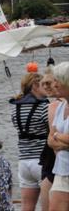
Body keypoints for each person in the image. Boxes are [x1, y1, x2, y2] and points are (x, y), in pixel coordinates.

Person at [9, 72, 49, 211]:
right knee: (48, 206)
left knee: (27, 206)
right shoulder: (45, 107)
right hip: (42, 162)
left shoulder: (16, 109)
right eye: (44, 84)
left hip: (24, 162)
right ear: (35, 86)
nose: (48, 87)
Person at [47, 62, 69, 210]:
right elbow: (50, 140)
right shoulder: (61, 106)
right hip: (62, 170)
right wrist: (62, 139)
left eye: (57, 80)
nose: (54, 85)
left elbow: (55, 136)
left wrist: (57, 137)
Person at [40, 67, 61, 210]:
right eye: (44, 83)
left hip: (57, 163)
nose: (46, 86)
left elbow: (54, 141)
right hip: (50, 161)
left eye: (49, 83)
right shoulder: (52, 105)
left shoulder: (54, 105)